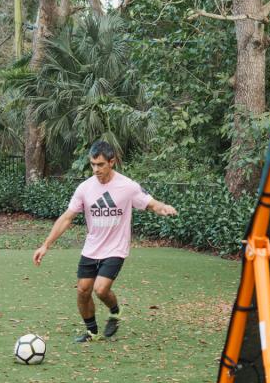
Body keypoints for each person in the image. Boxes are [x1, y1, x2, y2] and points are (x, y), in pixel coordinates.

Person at [33, 141, 177, 341]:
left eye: (100, 164)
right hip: (92, 248)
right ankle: (92, 332)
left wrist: (164, 207)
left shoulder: (127, 186)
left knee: (100, 289)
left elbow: (151, 204)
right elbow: (67, 218)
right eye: (92, 164)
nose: (95, 169)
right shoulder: (85, 188)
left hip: (116, 248)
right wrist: (45, 245)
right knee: (83, 291)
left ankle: (115, 311)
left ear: (112, 162)